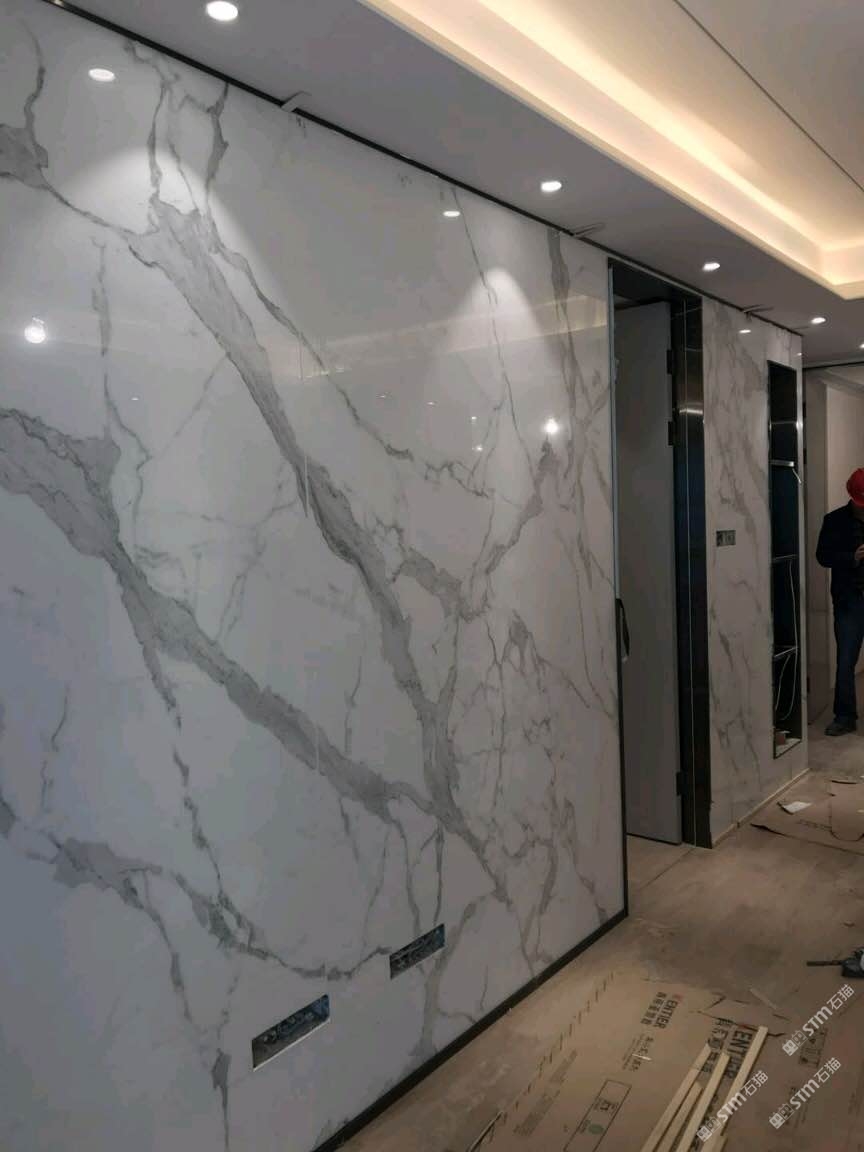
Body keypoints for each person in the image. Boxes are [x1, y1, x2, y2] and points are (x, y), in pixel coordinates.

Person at [817, 467, 864, 735]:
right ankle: (845, 716)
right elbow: (822, 556)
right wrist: (852, 557)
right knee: (846, 661)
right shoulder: (834, 520)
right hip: (849, 601)